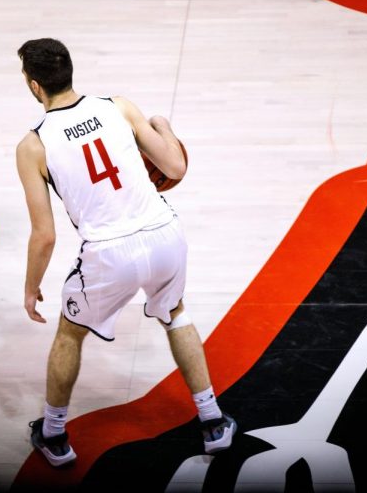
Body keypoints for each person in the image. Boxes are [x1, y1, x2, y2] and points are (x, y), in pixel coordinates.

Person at [15, 38, 236, 467]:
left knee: (69, 333)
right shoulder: (117, 106)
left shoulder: (33, 146)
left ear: (35, 86)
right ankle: (213, 420)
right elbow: (175, 169)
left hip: (108, 254)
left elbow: (44, 235)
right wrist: (163, 126)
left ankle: (55, 434)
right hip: (164, 234)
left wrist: (30, 287)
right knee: (177, 315)